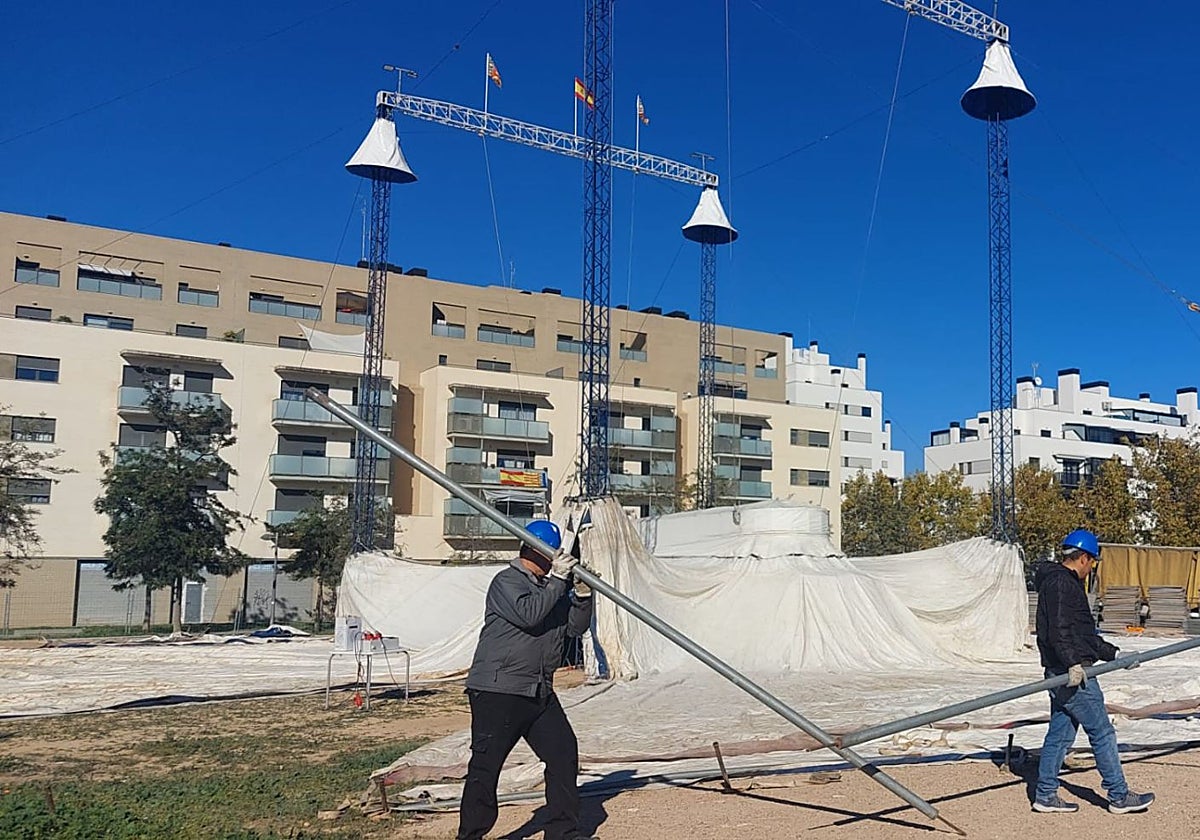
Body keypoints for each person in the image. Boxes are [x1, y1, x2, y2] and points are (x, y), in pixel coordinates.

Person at [457, 518, 599, 840]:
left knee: (563, 753)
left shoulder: (551, 589)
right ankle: (470, 835)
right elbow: (530, 615)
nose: (556, 560)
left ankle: (562, 833)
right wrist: (559, 580)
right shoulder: (506, 582)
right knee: (486, 766)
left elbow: (574, 629)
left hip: (538, 690)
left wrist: (582, 596)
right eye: (553, 553)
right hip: (499, 690)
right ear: (536, 550)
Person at [1031, 528, 1154, 815]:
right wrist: (1072, 663)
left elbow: (1084, 635)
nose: (1091, 568)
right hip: (1074, 674)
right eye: (1093, 562)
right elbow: (1058, 630)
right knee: (1102, 732)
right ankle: (1119, 796)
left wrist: (1116, 654)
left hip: (1062, 670)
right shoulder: (1062, 583)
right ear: (1084, 558)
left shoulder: (1060, 582)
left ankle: (1045, 795)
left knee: (1060, 734)